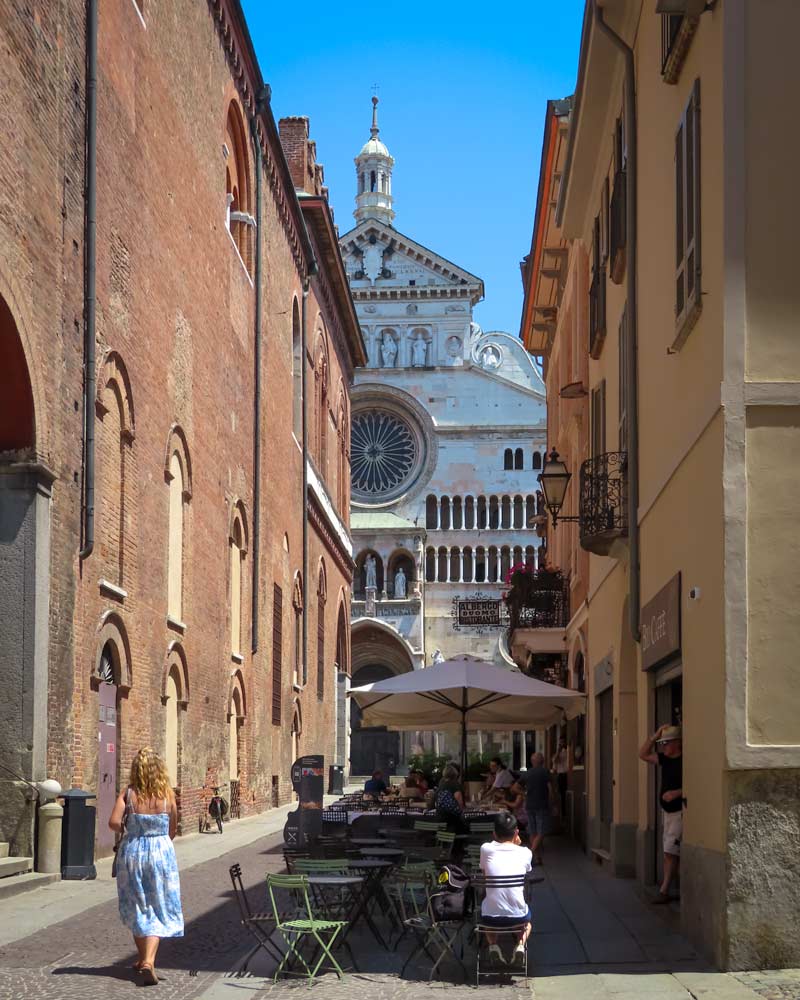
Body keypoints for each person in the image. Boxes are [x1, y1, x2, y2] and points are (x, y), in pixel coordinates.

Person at [110, 747, 183, 986]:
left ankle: (144, 960)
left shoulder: (128, 793)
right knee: (158, 905)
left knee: (137, 905)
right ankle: (148, 961)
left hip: (132, 853)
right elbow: (172, 830)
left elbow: (113, 823)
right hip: (161, 853)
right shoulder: (167, 795)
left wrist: (131, 830)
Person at [479, 810, 532, 966]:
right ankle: (520, 945)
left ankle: (493, 946)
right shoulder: (525, 852)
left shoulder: (485, 849)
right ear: (516, 832)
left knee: (488, 905)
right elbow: (527, 871)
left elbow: (485, 873)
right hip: (518, 917)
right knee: (527, 924)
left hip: (490, 918)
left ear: (494, 834)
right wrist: (519, 844)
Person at [640, 724, 683, 903]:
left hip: (678, 812)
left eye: (666, 743)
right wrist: (654, 735)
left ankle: (664, 890)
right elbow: (642, 754)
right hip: (667, 812)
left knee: (669, 852)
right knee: (670, 852)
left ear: (677, 743)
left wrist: (676, 793)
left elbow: (697, 783)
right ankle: (676, 889)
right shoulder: (664, 759)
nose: (663, 746)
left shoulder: (684, 761)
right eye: (662, 743)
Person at [525, 752, 551, 864]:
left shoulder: (527, 773)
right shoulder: (545, 772)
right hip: (541, 805)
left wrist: (524, 794)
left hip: (529, 805)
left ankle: (537, 857)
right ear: (543, 761)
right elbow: (550, 789)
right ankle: (530, 855)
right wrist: (554, 803)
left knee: (533, 832)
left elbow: (514, 788)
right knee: (541, 831)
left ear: (532, 761)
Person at [435, 763, 467, 832]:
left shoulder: (440, 787)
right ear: (455, 775)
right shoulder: (455, 785)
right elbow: (460, 802)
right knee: (467, 825)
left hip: (440, 821)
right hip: (452, 822)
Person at [551, 739, 569, 817]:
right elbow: (555, 761)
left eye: (562, 742)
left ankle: (564, 814)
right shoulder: (558, 753)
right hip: (560, 775)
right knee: (560, 795)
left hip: (565, 775)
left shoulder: (566, 751)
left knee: (563, 796)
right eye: (560, 742)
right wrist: (558, 751)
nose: (560, 744)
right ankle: (562, 814)